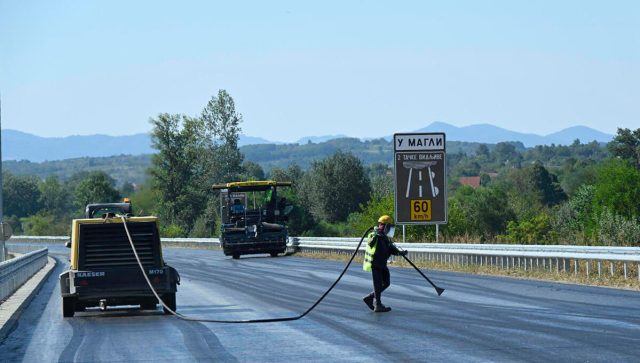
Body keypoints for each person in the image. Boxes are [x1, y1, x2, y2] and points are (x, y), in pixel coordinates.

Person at [362, 215, 407, 312]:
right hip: (376, 264)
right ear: (385, 226)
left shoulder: (384, 237)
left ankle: (370, 298)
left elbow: (390, 249)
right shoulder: (375, 235)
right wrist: (376, 234)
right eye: (389, 227)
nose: (391, 230)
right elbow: (370, 243)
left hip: (382, 264)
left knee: (386, 282)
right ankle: (377, 304)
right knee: (378, 284)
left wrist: (400, 253)